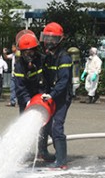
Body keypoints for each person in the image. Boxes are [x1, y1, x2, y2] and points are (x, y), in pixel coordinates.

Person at [13, 33, 55, 162]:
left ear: (35, 50)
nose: (28, 55)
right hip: (25, 98)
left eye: (30, 51)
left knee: (45, 125)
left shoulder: (42, 60)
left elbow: (48, 79)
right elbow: (19, 86)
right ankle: (22, 153)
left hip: (41, 96)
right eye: (25, 52)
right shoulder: (19, 65)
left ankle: (42, 151)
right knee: (24, 125)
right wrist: (27, 101)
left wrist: (45, 95)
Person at [40, 22, 73, 169]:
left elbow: (63, 81)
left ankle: (61, 161)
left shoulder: (64, 58)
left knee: (56, 127)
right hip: (51, 96)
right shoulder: (49, 57)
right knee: (45, 125)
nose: (49, 42)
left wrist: (51, 95)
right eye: (46, 38)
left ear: (60, 40)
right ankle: (44, 153)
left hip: (62, 97)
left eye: (52, 39)